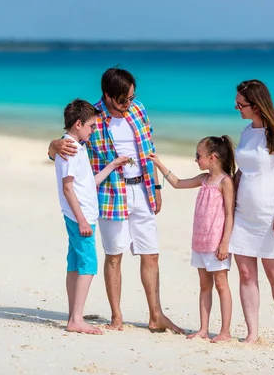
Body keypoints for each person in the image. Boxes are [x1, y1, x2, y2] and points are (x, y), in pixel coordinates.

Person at [48, 68, 182, 334]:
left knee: (151, 253)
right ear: (107, 96)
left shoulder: (138, 110)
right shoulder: (92, 117)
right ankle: (117, 317)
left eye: (132, 97)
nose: (128, 104)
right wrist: (53, 146)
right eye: (122, 100)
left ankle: (156, 316)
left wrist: (155, 185)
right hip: (110, 194)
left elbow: (148, 147)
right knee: (114, 256)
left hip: (141, 188)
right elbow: (65, 151)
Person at [148, 136, 236, 343]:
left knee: (222, 285)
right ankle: (203, 329)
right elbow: (177, 183)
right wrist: (159, 164)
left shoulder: (225, 182)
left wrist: (225, 242)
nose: (196, 159)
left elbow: (230, 214)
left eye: (199, 156)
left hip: (216, 244)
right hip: (200, 242)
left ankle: (225, 331)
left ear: (212, 157)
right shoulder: (203, 179)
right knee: (204, 286)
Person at [229, 79, 274, 346]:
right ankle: (252, 332)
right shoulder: (246, 132)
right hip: (243, 214)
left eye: (240, 104)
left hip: (270, 214)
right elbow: (241, 171)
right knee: (246, 274)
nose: (236, 108)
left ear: (256, 105)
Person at [54, 99, 129, 335]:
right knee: (88, 265)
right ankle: (76, 318)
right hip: (80, 217)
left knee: (75, 263)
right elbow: (68, 188)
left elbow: (88, 183)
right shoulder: (70, 149)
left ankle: (72, 314)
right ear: (78, 124)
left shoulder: (79, 146)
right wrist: (83, 220)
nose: (93, 130)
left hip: (82, 215)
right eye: (91, 126)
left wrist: (113, 164)